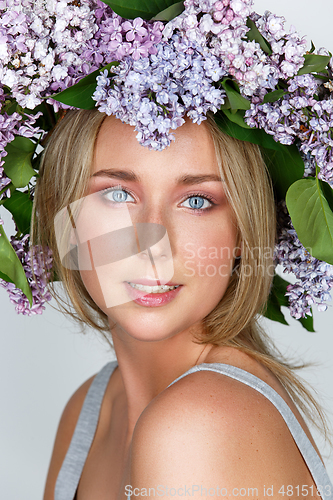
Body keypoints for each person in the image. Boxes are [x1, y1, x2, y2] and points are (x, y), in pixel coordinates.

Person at [31, 109, 332, 500]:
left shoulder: (195, 428)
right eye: (118, 194)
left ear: (244, 227)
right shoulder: (91, 408)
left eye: (196, 201)